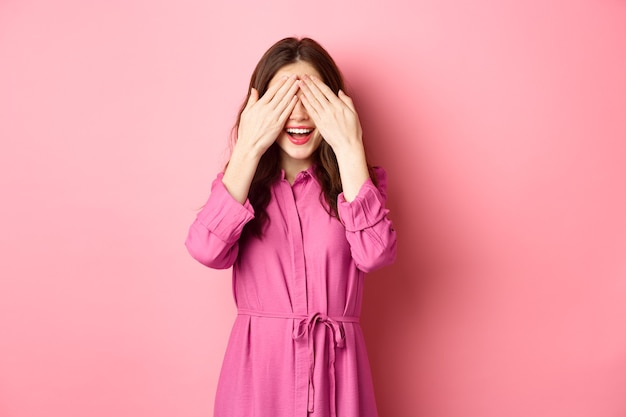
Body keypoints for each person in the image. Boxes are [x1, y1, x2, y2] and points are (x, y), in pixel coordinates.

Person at [185, 37, 397, 417]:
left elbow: (376, 254)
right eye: (283, 100)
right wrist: (248, 146)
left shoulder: (355, 183)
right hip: (258, 379)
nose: (298, 116)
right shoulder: (241, 186)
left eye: (312, 99)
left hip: (338, 373)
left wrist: (350, 147)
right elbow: (206, 249)